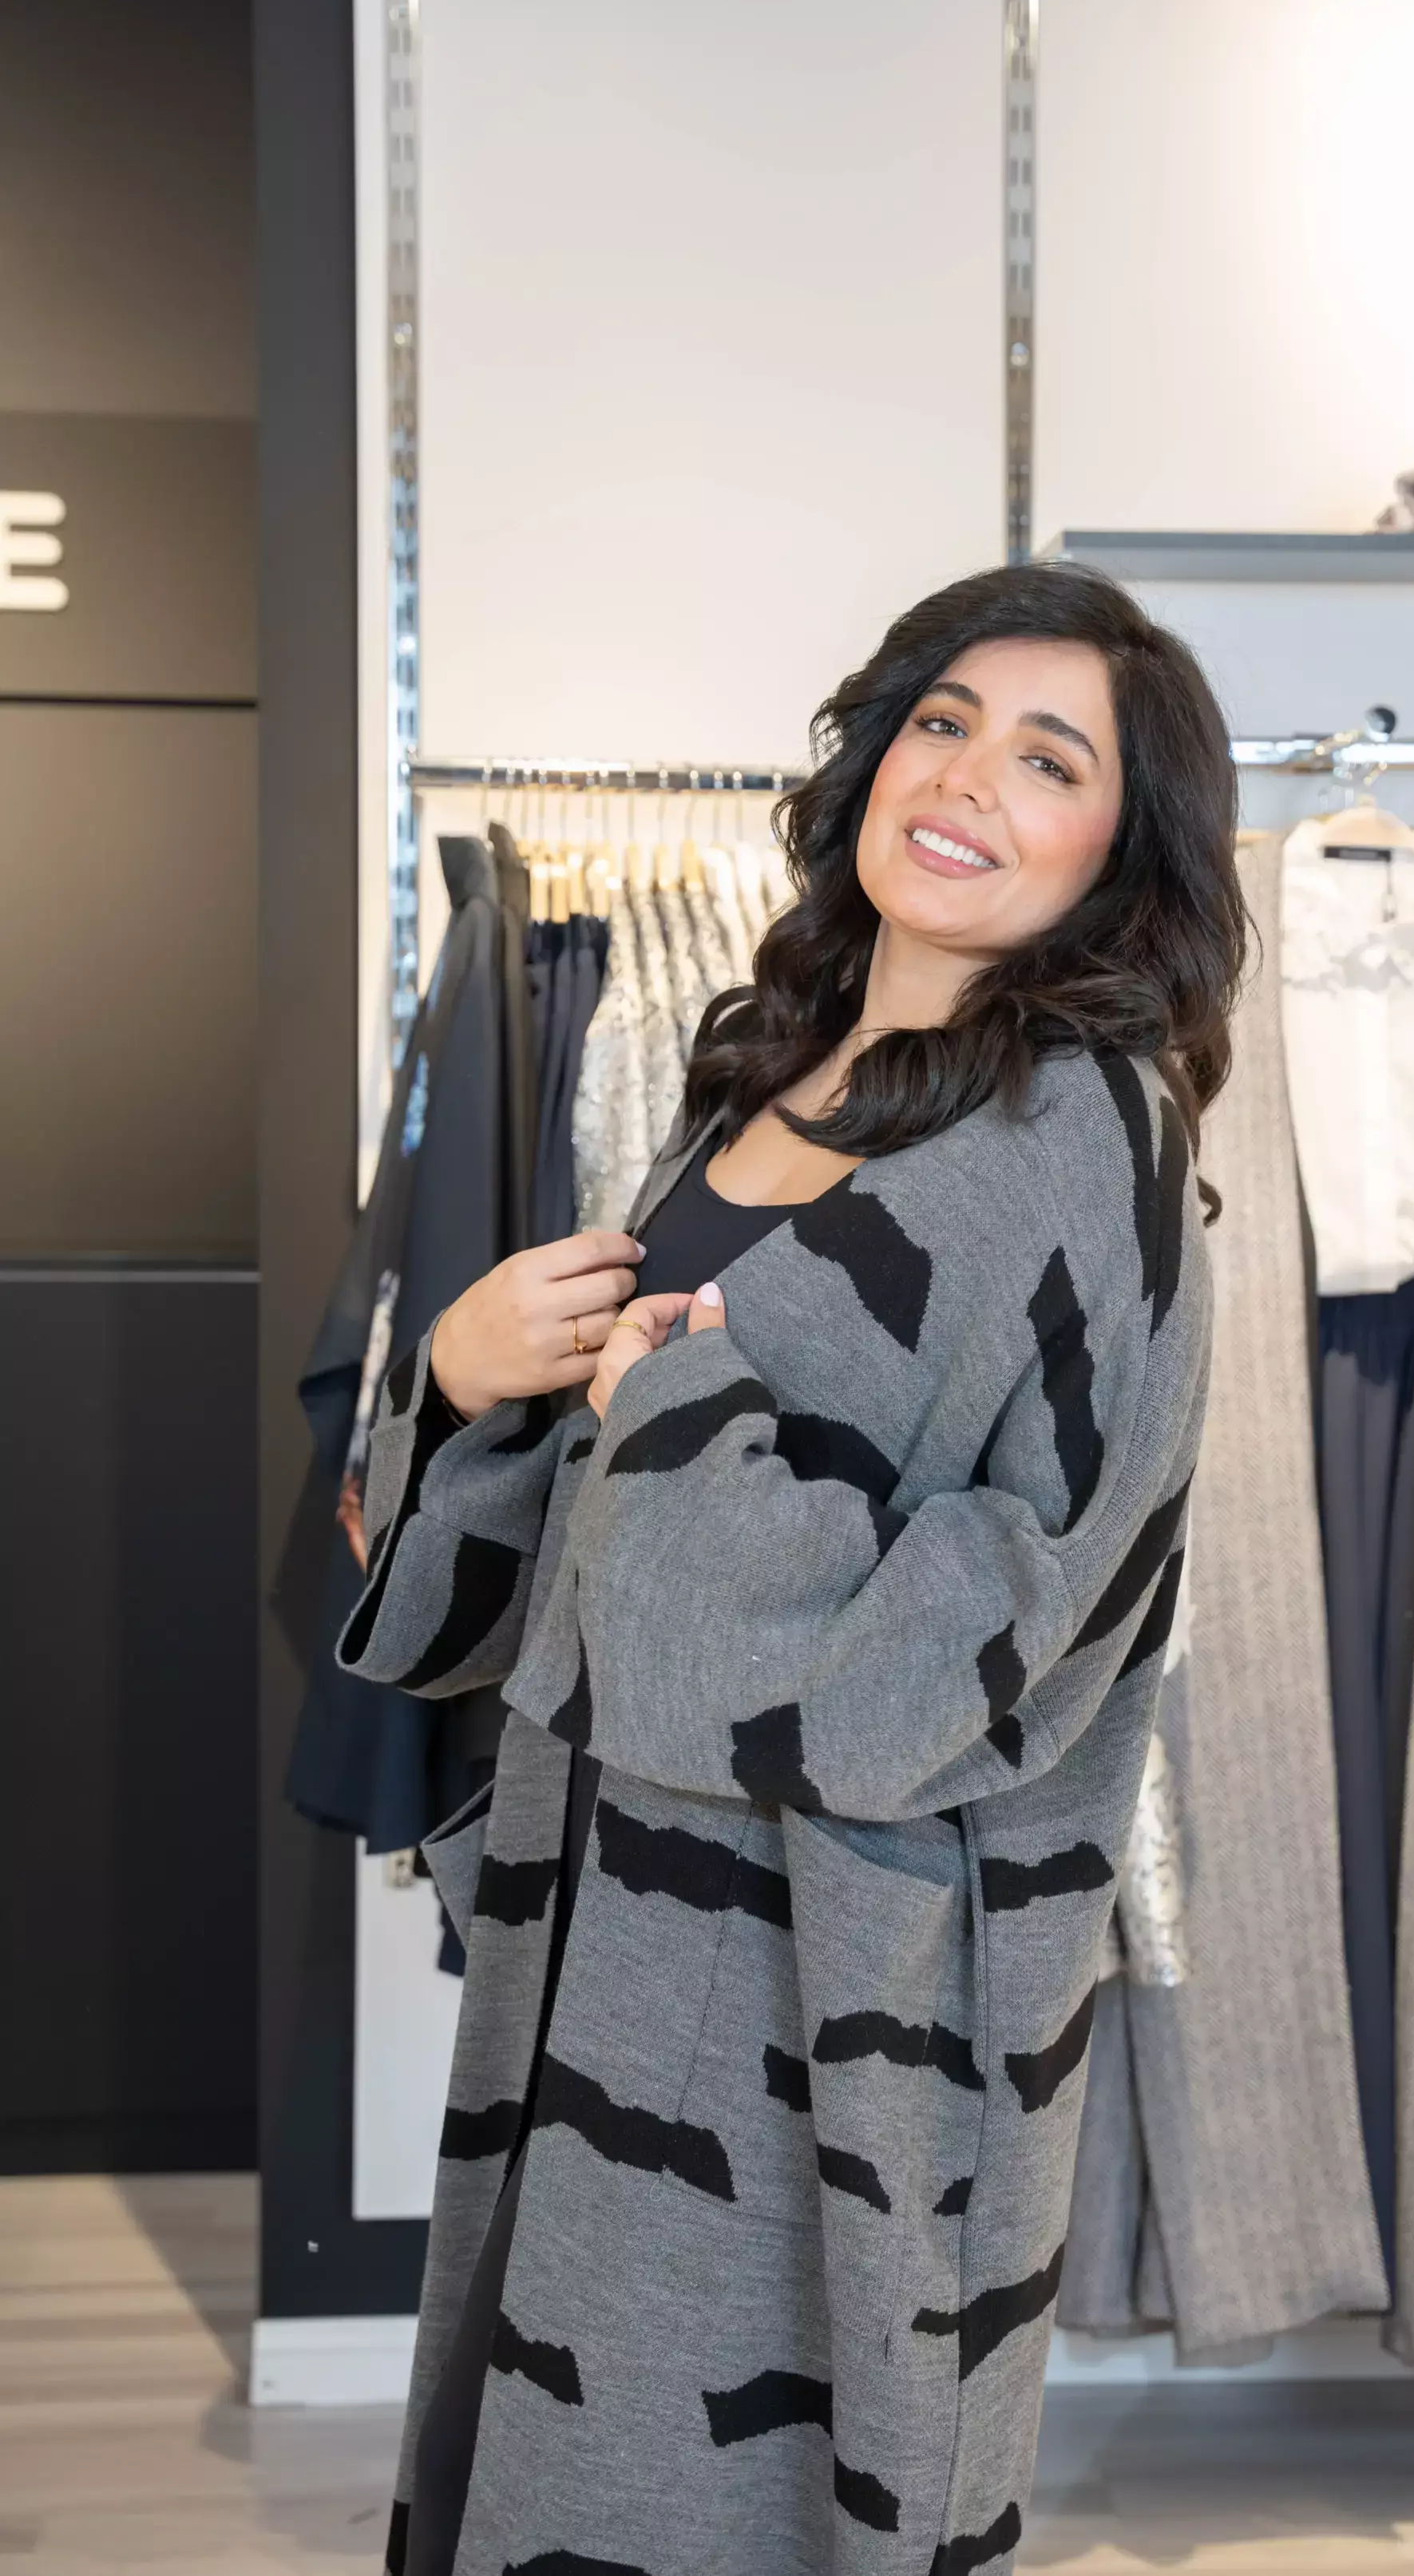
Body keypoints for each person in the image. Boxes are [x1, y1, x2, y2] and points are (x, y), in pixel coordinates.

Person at [340, 560, 1246, 2576]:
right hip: (595, 1909)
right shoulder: (773, 1070)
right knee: (543, 2456)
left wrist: (675, 1417)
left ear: (1125, 849)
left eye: (1050, 758)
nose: (969, 778)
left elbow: (1032, 1619)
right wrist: (469, 1372)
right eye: (943, 721)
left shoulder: (1086, 1141)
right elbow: (588, 1515)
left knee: (726, 2491)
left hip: (827, 1986)